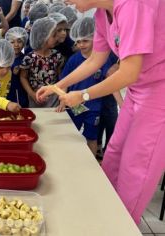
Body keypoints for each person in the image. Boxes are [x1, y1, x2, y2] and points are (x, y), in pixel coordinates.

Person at [36, 0, 165, 225]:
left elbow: (129, 72)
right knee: (113, 154)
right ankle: (104, 219)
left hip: (158, 93)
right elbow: (96, 59)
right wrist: (61, 85)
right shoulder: (103, 14)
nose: (67, 2)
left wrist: (84, 95)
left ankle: (119, 226)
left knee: (136, 168)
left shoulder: (133, 5)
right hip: (139, 90)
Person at [58, 17, 114, 157]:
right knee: (71, 134)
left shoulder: (104, 60)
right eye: (78, 41)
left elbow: (110, 82)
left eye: (85, 40)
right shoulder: (74, 60)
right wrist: (62, 100)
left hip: (94, 107)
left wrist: (122, 104)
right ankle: (70, 159)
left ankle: (92, 165)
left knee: (92, 138)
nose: (81, 44)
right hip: (74, 106)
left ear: (95, 38)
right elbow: (64, 83)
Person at [20, 17, 64, 108]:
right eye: (54, 35)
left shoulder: (57, 56)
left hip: (53, 97)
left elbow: (60, 76)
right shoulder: (29, 58)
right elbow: (23, 77)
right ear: (44, 37)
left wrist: (61, 93)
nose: (57, 38)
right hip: (35, 96)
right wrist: (31, 94)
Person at [5, 27, 29, 108]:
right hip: (6, 93)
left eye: (19, 41)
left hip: (21, 93)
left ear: (24, 42)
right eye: (12, 42)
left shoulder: (26, 59)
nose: (16, 45)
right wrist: (11, 71)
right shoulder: (4, 58)